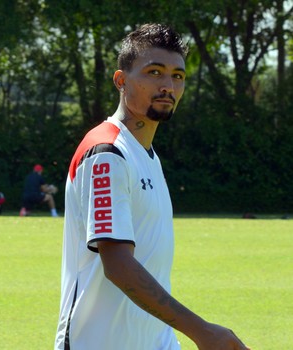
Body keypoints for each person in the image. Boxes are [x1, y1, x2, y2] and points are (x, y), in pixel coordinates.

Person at [55, 23, 250, 350]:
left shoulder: (146, 154)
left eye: (177, 76)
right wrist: (202, 331)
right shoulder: (107, 152)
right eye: (154, 72)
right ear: (121, 80)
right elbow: (118, 265)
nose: (168, 85)